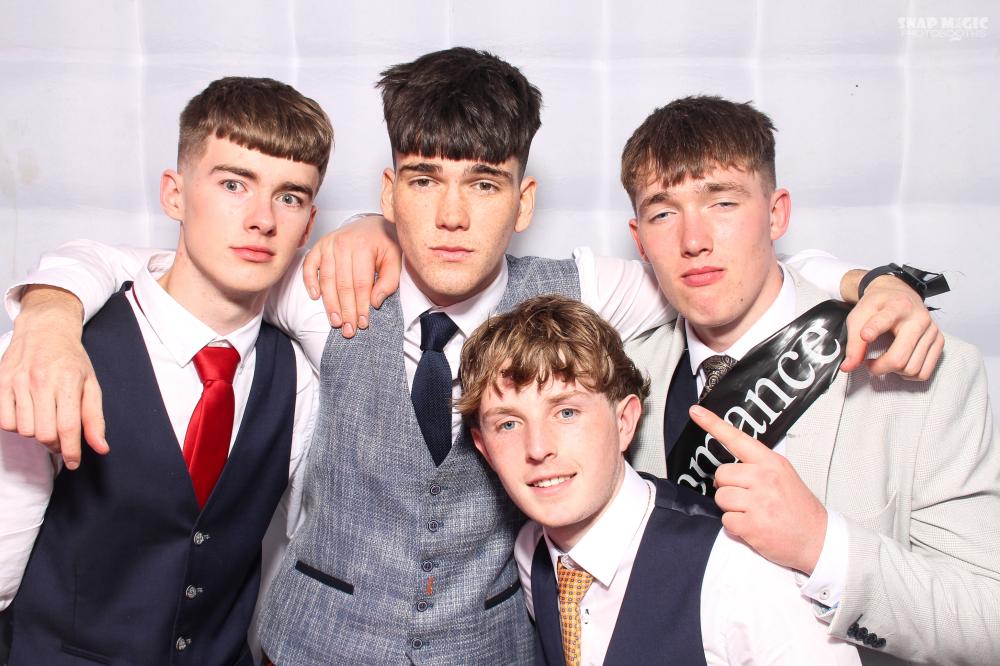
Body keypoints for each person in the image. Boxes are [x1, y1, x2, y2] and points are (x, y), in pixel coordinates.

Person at [0, 50, 939, 663]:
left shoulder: (577, 288)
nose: (451, 216)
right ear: (388, 191)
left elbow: (719, 264)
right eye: (424, 182)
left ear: (523, 202)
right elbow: (177, 265)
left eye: (484, 185)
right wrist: (49, 307)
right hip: (307, 648)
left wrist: (864, 280)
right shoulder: (323, 287)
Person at [621, 95, 1000, 664]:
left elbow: (988, 618)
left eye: (723, 202)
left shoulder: (920, 370)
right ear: (639, 239)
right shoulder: (621, 374)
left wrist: (823, 546)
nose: (693, 240)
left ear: (777, 214)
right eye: (663, 213)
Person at [0, 76, 330, 665]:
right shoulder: (54, 354)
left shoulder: (299, 382)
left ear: (308, 225)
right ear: (174, 195)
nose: (262, 219)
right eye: (234, 184)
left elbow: (288, 557)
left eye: (289, 197)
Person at [457, 294, 860, 665]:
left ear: (624, 421)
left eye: (566, 413)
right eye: (508, 424)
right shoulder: (532, 552)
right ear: (484, 447)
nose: (538, 448)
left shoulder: (740, 570)